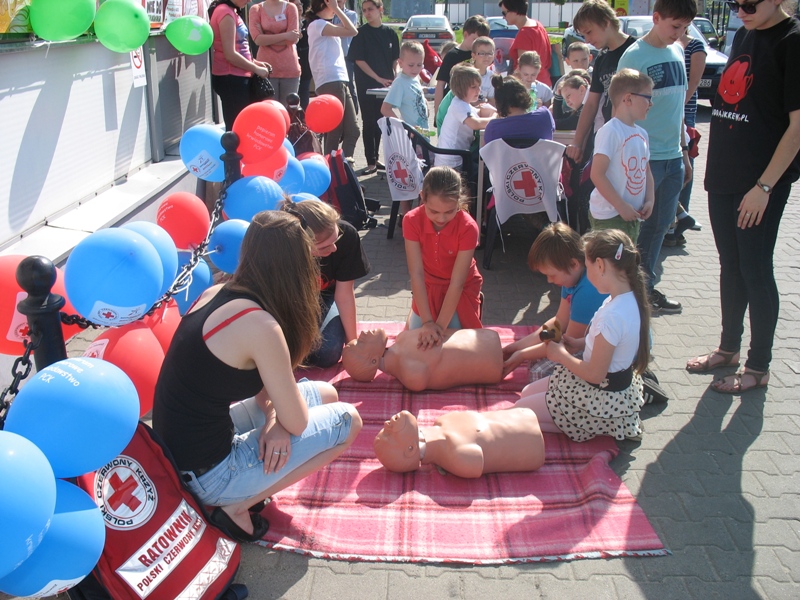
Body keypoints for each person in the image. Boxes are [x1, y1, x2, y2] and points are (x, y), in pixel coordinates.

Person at [152, 211, 362, 543]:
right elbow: (294, 419)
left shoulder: (220, 292)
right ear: (298, 264)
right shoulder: (262, 326)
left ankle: (239, 493)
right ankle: (237, 506)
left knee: (326, 393)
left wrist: (273, 419)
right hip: (208, 476)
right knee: (348, 420)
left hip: (178, 450)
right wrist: (278, 422)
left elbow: (273, 395)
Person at [686, 0, 800, 394]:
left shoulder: (792, 41)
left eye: (749, 3)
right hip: (724, 175)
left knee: (755, 269)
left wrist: (765, 187)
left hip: (760, 183)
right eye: (734, 3)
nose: (740, 10)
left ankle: (758, 366)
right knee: (730, 266)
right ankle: (728, 348)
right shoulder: (743, 34)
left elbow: (797, 128)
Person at [516, 229, 650, 442]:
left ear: (600, 265)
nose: (550, 281)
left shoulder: (611, 315)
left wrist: (560, 355)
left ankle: (600, 423)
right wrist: (577, 343)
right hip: (602, 385)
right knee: (525, 394)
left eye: (588, 267)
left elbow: (595, 374)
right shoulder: (621, 298)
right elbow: (578, 333)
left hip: (599, 394)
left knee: (520, 411)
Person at [617, 0, 696, 315]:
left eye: (685, 28)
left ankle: (644, 290)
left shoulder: (677, 52)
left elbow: (677, 110)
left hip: (673, 158)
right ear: (656, 18)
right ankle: (625, 294)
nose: (679, 34)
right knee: (635, 229)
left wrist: (685, 152)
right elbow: (622, 112)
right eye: (674, 26)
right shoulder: (635, 56)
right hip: (642, 161)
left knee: (660, 228)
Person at [502, 223, 608, 376]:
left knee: (539, 372)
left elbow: (569, 343)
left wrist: (522, 354)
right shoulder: (571, 277)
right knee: (536, 361)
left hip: (605, 354)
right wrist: (516, 347)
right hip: (585, 342)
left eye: (552, 275)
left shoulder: (587, 291)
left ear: (574, 264)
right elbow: (559, 323)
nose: (549, 281)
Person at [280, 199, 370, 367]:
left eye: (336, 239)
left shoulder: (348, 235)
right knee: (286, 349)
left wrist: (352, 344)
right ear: (302, 244)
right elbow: (281, 304)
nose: (334, 248)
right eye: (324, 246)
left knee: (328, 352)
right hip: (291, 302)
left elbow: (344, 295)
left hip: (326, 297)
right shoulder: (284, 248)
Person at [403, 166, 483, 347]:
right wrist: (427, 323)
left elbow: (458, 282)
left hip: (459, 288)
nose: (441, 218)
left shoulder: (468, 227)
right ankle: (413, 315)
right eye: (434, 211)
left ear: (459, 201)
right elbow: (416, 274)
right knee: (416, 342)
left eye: (449, 211)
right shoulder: (411, 220)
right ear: (422, 197)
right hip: (428, 285)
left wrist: (437, 327)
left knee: (455, 344)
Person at [373, 409, 545, 478]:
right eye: (389, 435)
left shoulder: (441, 423)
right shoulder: (456, 458)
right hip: (534, 443)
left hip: (525, 413)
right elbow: (477, 461)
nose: (386, 424)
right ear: (410, 449)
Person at [589, 68, 655, 243]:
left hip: (632, 214)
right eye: (648, 98)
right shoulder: (610, 131)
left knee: (624, 267)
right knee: (608, 267)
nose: (651, 103)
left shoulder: (642, 134)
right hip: (609, 216)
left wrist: (650, 199)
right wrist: (620, 206)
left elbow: (646, 171)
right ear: (628, 98)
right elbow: (597, 174)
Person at [565, 0, 635, 164]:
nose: (587, 40)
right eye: (584, 35)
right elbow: (591, 104)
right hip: (610, 136)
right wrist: (578, 142)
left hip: (632, 139)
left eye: (589, 32)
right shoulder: (602, 58)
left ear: (606, 22)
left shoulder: (635, 50)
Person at [341, 327, 504, 391]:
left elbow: (444, 332)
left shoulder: (401, 340)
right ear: (373, 362)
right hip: (488, 363)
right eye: (361, 343)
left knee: (517, 352)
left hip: (483, 341)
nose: (362, 334)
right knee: (518, 354)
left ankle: (519, 353)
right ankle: (520, 354)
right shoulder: (409, 373)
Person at [663, 28, 706, 247]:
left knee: (685, 158)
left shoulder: (695, 46)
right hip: (667, 112)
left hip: (684, 112)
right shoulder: (664, 43)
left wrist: (677, 106)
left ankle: (679, 221)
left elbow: (693, 82)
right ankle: (674, 220)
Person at [347, 0, 399, 175]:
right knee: (369, 121)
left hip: (387, 85)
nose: (367, 13)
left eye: (371, 9)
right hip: (367, 84)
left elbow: (395, 59)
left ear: (380, 10)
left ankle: (379, 158)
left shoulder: (390, 33)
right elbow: (359, 60)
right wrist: (377, 78)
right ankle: (370, 161)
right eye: (364, 10)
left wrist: (395, 75)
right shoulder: (360, 34)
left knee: (383, 121)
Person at [306, 0, 360, 159]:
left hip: (340, 80)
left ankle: (344, 169)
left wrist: (336, 8)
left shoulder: (325, 25)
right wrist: (336, 9)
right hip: (330, 81)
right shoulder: (317, 25)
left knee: (353, 131)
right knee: (334, 131)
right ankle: (331, 172)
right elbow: (352, 31)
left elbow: (351, 30)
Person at [208, 0, 273, 131]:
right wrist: (256, 69)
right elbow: (230, 54)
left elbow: (239, 49)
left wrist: (255, 62)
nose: (249, 1)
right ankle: (234, 152)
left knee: (244, 124)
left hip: (238, 76)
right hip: (230, 78)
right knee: (237, 127)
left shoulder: (232, 11)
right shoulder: (225, 12)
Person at [433, 15, 490, 124]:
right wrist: (437, 113)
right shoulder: (452, 56)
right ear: (465, 34)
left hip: (474, 108)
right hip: (453, 106)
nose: (478, 45)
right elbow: (440, 84)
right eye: (475, 40)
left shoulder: (481, 55)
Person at [436, 65, 495, 168]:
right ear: (460, 89)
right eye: (473, 87)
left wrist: (493, 111)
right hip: (450, 162)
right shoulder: (458, 105)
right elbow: (475, 124)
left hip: (456, 157)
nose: (478, 90)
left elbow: (479, 112)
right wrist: (494, 118)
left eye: (479, 86)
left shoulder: (464, 104)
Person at [249, 0, 302, 105]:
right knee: (269, 111)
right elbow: (258, 40)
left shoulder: (291, 8)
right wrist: (285, 35)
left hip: (290, 69)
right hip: (265, 70)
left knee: (289, 112)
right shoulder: (256, 9)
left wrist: (267, 37)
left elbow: (293, 39)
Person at [484, 75, 555, 144]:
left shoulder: (493, 128)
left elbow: (487, 154)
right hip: (539, 156)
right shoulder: (544, 116)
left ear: (499, 102)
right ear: (525, 94)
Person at [500, 0, 553, 85]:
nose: (503, 17)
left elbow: (523, 67)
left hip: (530, 86)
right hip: (544, 82)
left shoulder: (524, 33)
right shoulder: (537, 25)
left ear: (515, 11)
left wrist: (506, 83)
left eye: (504, 13)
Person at [381, 41, 429, 130]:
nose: (415, 69)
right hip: (411, 137)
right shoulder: (400, 82)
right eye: (411, 65)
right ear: (400, 63)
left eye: (419, 65)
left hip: (423, 133)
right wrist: (404, 127)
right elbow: (385, 109)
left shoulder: (415, 78)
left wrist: (424, 102)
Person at [332, 0, 359, 113]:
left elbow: (347, 30)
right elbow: (342, 28)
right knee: (335, 86)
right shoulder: (329, 14)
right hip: (332, 56)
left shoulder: (351, 14)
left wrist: (332, 28)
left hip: (346, 55)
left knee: (349, 86)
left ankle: (354, 113)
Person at [472, 36, 497, 104]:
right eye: (482, 53)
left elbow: (492, 101)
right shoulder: (466, 75)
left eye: (489, 53)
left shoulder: (492, 77)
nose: (486, 57)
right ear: (474, 56)